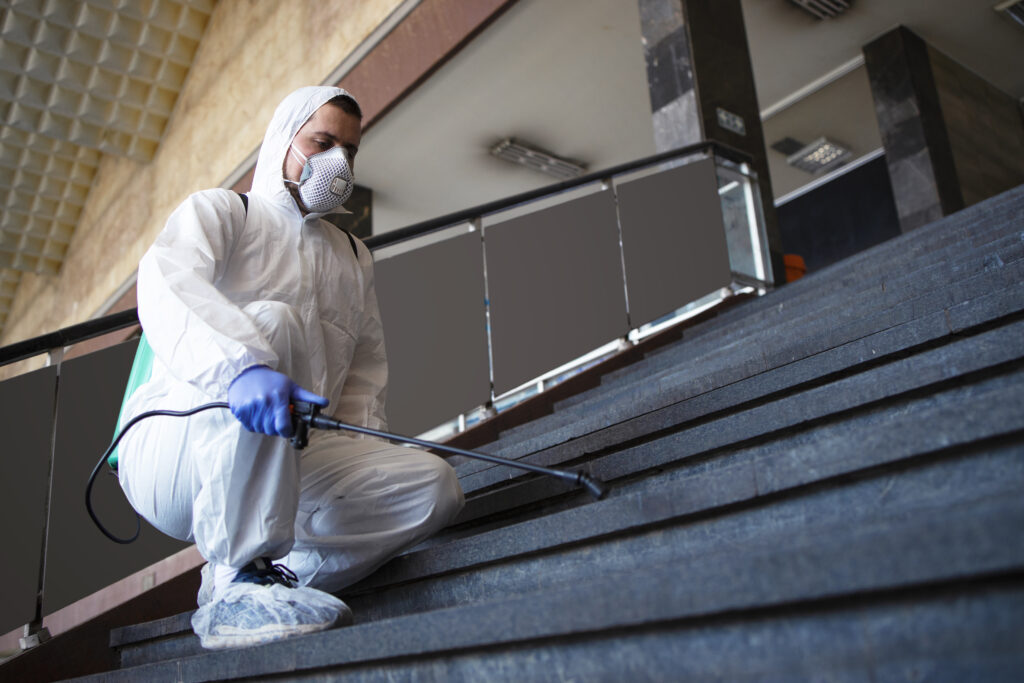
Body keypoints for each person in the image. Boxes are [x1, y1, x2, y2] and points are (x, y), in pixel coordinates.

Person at [116, 86, 465, 650]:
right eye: (322, 142)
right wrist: (240, 371)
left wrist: (363, 453)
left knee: (433, 487)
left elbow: (363, 377)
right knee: (275, 326)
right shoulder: (224, 213)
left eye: (349, 151)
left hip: (287, 461)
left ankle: (271, 581)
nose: (338, 163)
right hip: (175, 447)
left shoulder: (353, 258)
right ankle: (235, 576)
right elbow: (163, 286)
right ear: (283, 140)